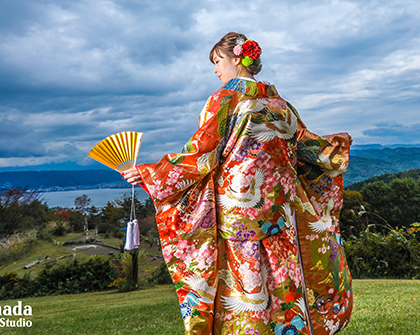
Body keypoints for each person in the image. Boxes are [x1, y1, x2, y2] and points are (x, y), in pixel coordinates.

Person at [123, 32, 353, 335]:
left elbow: (203, 153)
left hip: (240, 209)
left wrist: (153, 173)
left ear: (236, 58)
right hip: (280, 211)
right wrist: (333, 149)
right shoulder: (280, 103)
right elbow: (305, 149)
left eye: (217, 61)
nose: (216, 69)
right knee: (281, 281)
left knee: (246, 288)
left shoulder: (225, 99)